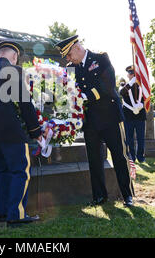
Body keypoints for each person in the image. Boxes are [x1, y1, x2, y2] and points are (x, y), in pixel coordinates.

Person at [55, 35, 134, 207]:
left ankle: (127, 195)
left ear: (76, 47)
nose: (68, 59)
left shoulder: (101, 58)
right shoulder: (70, 68)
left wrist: (83, 96)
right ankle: (99, 196)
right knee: (94, 159)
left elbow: (107, 86)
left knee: (119, 156)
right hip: (90, 120)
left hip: (110, 116)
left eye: (68, 55)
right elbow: (66, 92)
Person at [0, 41, 43, 227]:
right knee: (21, 170)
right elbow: (24, 103)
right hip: (8, 130)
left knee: (3, 171)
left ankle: (4, 213)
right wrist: (35, 131)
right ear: (13, 58)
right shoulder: (12, 70)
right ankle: (17, 214)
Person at [119, 65, 146, 163]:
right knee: (129, 138)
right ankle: (131, 156)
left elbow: (147, 98)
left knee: (141, 138)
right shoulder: (124, 85)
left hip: (140, 115)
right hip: (128, 116)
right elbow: (122, 92)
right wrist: (131, 83)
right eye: (130, 73)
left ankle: (141, 157)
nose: (131, 75)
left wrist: (141, 105)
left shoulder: (142, 86)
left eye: (133, 73)